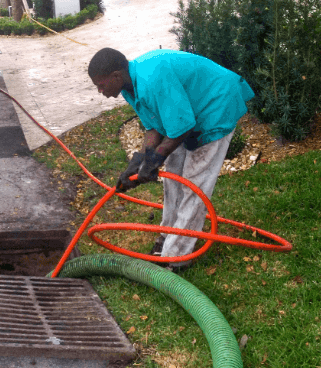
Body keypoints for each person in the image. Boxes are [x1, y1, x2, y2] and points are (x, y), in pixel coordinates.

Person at [88, 48, 255, 271]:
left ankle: (177, 256)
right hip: (188, 114)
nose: (100, 91)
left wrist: (156, 158)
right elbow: (154, 128)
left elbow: (182, 127)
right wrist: (138, 162)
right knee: (172, 179)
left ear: (116, 76)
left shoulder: (152, 79)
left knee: (193, 187)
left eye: (101, 84)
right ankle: (167, 237)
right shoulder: (130, 86)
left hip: (215, 106)